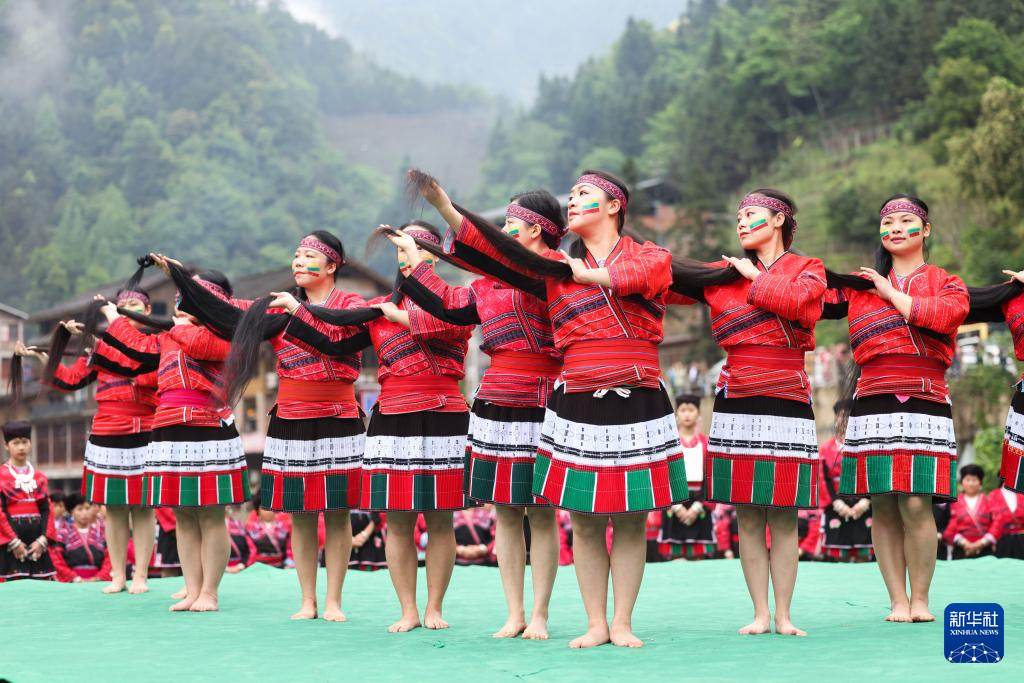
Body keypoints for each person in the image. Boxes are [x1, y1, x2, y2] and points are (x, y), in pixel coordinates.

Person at [417, 169, 686, 648]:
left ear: (614, 206)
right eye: (573, 194)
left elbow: (649, 276)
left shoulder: (647, 255)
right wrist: (445, 207)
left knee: (630, 515)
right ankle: (596, 623)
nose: (573, 201)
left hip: (637, 388)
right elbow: (503, 256)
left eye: (584, 194)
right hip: (576, 391)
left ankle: (622, 621)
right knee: (583, 516)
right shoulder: (554, 270)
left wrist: (588, 275)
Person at [393, 186, 565, 638]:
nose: (503, 231)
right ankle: (515, 612)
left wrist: (444, 207)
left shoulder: (557, 272)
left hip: (546, 396)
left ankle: (541, 613)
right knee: (505, 510)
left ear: (536, 229)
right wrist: (414, 259)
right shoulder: (485, 286)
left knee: (541, 512)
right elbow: (446, 306)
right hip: (496, 397)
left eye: (510, 224)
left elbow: (504, 262)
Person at [668, 190, 825, 636]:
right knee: (748, 512)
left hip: (788, 396)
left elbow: (802, 305)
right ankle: (760, 612)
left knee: (784, 512)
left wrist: (754, 277)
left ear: (778, 220)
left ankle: (785, 614)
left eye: (751, 214)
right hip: (736, 397)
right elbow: (663, 283)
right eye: (738, 216)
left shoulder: (808, 269)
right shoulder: (722, 277)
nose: (741, 222)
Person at [830, 194, 968, 622]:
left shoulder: (947, 283)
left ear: (925, 230)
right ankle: (897, 600)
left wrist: (889, 292)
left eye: (905, 220)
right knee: (883, 504)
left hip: (925, 399)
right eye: (887, 222)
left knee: (916, 502)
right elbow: (808, 298)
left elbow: (943, 317)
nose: (894, 228)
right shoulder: (859, 288)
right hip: (873, 399)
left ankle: (921, 598)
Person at [98, 270, 249, 612]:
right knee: (182, 512)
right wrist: (113, 317)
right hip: (168, 425)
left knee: (210, 514)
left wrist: (177, 325)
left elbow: (198, 344)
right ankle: (192, 589)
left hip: (207, 425)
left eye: (190, 294)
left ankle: (210, 592)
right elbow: (136, 346)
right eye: (182, 293)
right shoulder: (169, 334)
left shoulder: (224, 334)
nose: (181, 300)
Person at [20, 287, 159, 594]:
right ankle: (118, 575)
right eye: (122, 305)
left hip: (145, 429)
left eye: (134, 304)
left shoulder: (155, 343)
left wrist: (99, 344)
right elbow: (73, 380)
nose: (127, 309)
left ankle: (141, 575)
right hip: (107, 431)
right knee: (115, 508)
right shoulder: (102, 347)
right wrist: (47, 359)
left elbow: (143, 373)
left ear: (148, 311)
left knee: (143, 508)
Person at [658, 395, 717, 560]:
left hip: (700, 504)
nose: (687, 414)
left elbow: (711, 477)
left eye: (691, 410)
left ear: (698, 413)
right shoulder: (668, 445)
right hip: (674, 504)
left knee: (699, 557)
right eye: (683, 410)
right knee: (674, 558)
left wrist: (697, 507)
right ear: (676, 414)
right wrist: (676, 507)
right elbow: (662, 476)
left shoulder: (706, 443)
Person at [0, 421, 56, 581]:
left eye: (25, 442)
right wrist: (14, 542)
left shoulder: (39, 477)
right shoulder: (1, 476)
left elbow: (47, 510)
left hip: (37, 541)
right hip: (11, 541)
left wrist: (43, 540)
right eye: (16, 443)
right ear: (6, 445)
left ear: (30, 444)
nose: (21, 447)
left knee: (39, 587)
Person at [820, 401, 873, 562]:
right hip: (836, 505)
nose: (845, 421)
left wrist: (866, 500)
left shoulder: (867, 446)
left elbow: (873, 473)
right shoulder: (826, 449)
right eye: (841, 416)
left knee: (864, 553)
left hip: (863, 503)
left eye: (849, 417)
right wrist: (837, 503)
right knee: (838, 555)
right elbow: (822, 478)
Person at [943, 465, 1001, 559]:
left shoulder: (989, 501)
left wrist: (981, 543)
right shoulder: (953, 503)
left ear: (980, 482)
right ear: (962, 482)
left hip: (985, 550)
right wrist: (964, 543)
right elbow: (948, 527)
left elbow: (996, 524)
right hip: (961, 550)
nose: (971, 483)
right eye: (968, 479)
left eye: (974, 480)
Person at [51, 494, 112, 582]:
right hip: (72, 582)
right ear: (71, 511)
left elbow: (110, 557)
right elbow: (56, 559)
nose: (84, 513)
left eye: (87, 508)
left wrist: (99, 577)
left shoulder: (100, 532)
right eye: (80, 509)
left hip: (97, 581)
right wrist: (73, 577)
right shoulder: (63, 533)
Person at [987, 485, 1024, 559]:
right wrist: (991, 541)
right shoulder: (993, 495)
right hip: (1001, 540)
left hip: (1021, 539)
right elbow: (989, 521)